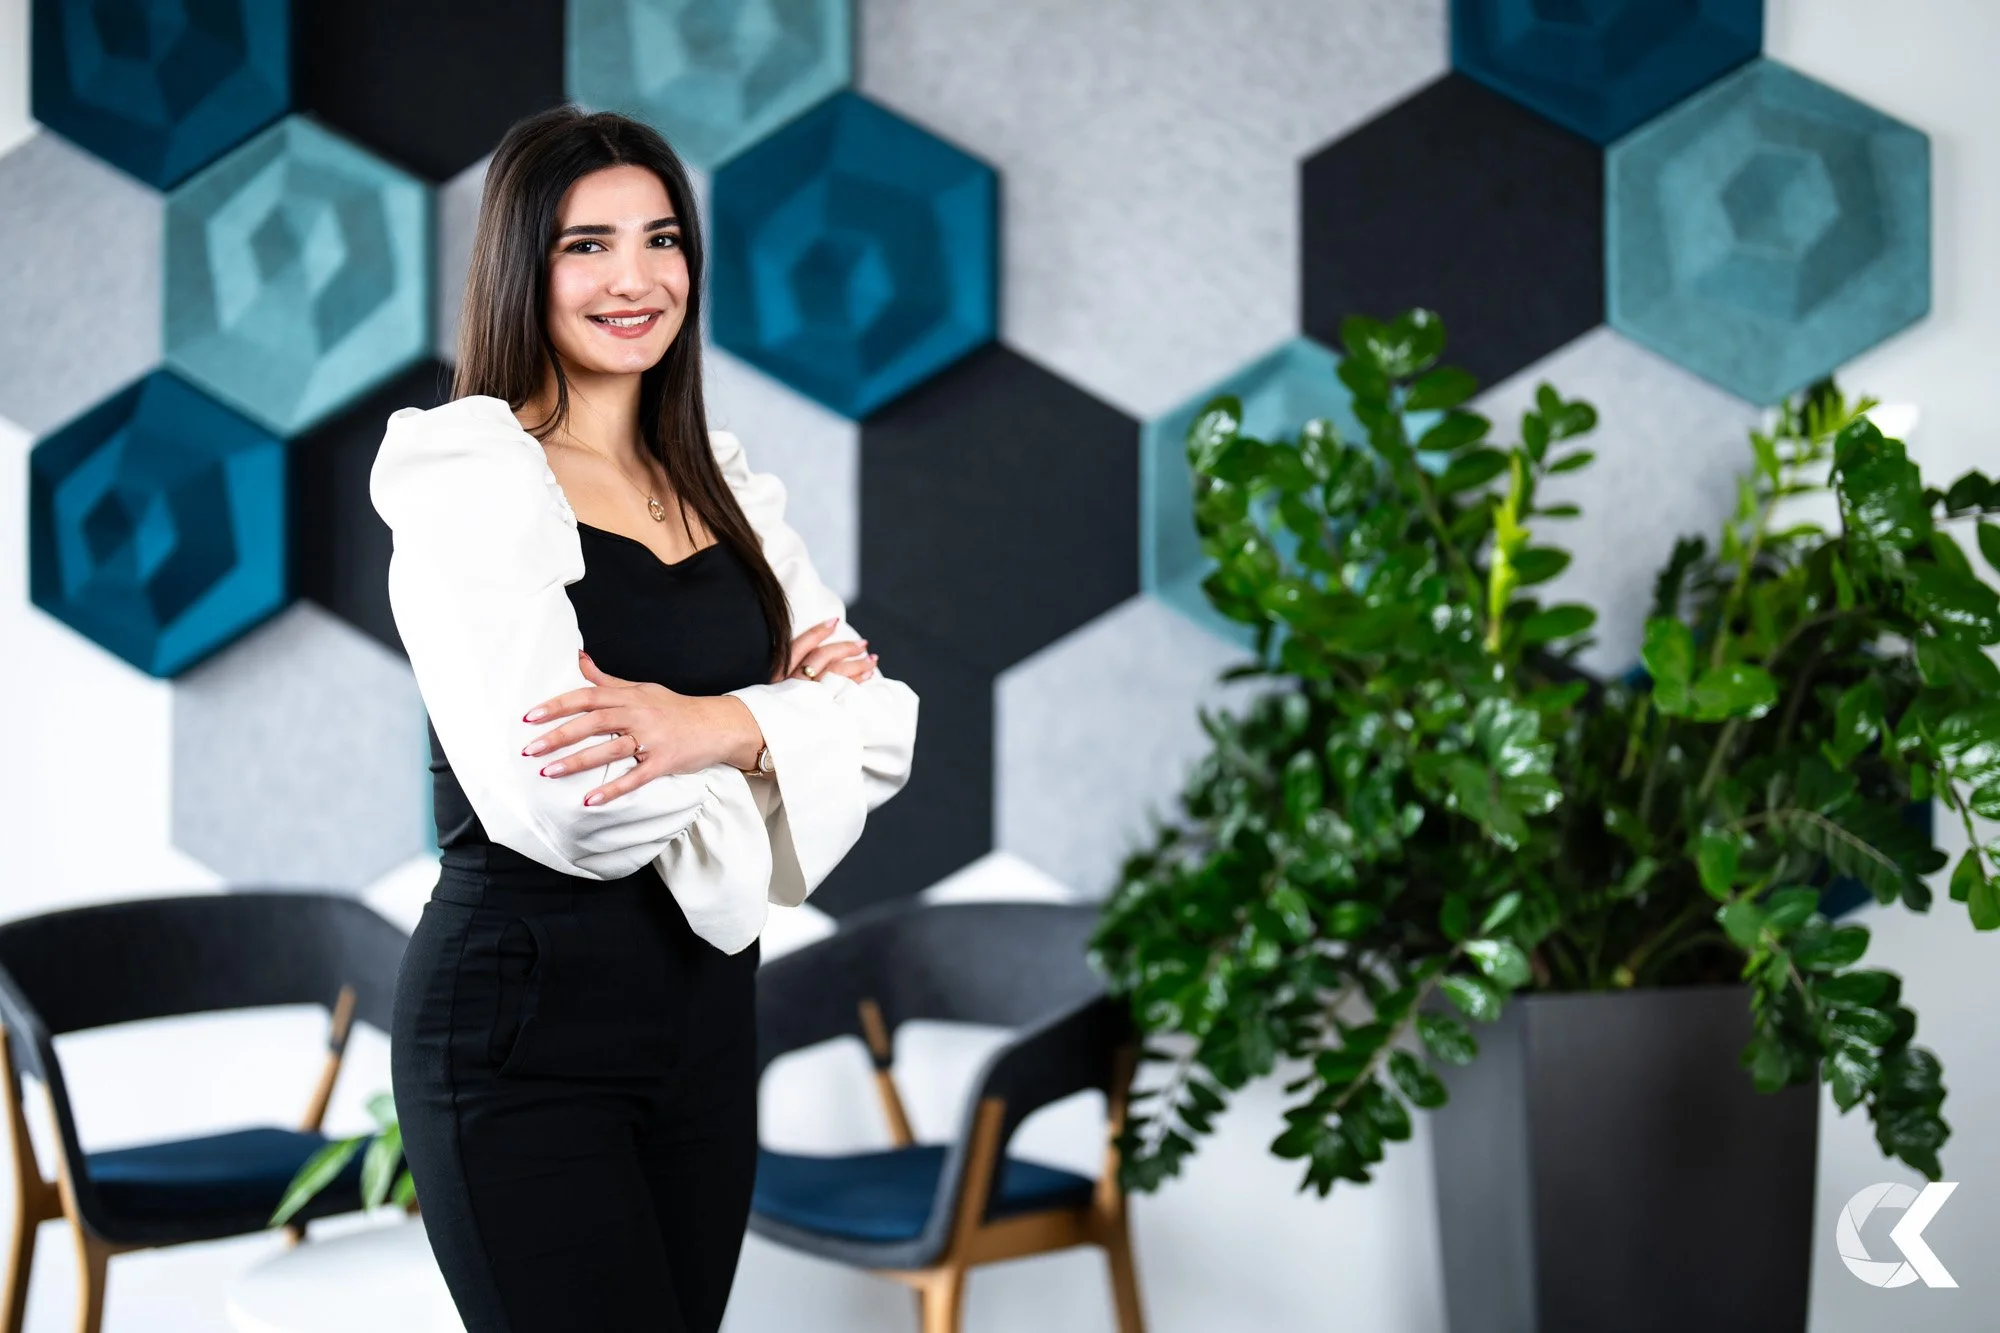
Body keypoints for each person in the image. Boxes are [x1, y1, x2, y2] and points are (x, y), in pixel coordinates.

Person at [370, 105, 920, 1333]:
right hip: (519, 1028)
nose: (636, 278)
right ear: (523, 265)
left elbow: (882, 728)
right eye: (586, 245)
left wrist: (705, 723)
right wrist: (782, 725)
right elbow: (569, 807)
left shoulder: (720, 484)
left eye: (662, 238)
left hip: (709, 1024)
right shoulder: (469, 477)